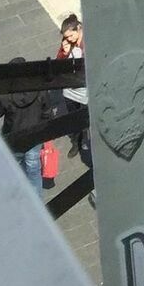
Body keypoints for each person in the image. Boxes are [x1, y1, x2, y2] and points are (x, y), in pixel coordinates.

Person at [0, 58, 52, 195]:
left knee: (15, 165)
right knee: (34, 169)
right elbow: (47, 112)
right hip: (35, 137)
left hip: (14, 137)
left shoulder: (5, 95)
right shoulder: (39, 88)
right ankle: (38, 202)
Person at [56, 14, 91, 171]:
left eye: (70, 35)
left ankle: (84, 140)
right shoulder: (67, 44)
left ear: (79, 29)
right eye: (66, 37)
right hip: (69, 91)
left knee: (84, 119)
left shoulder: (87, 44)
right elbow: (58, 65)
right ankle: (75, 142)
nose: (68, 39)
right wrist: (63, 54)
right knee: (72, 119)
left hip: (85, 92)